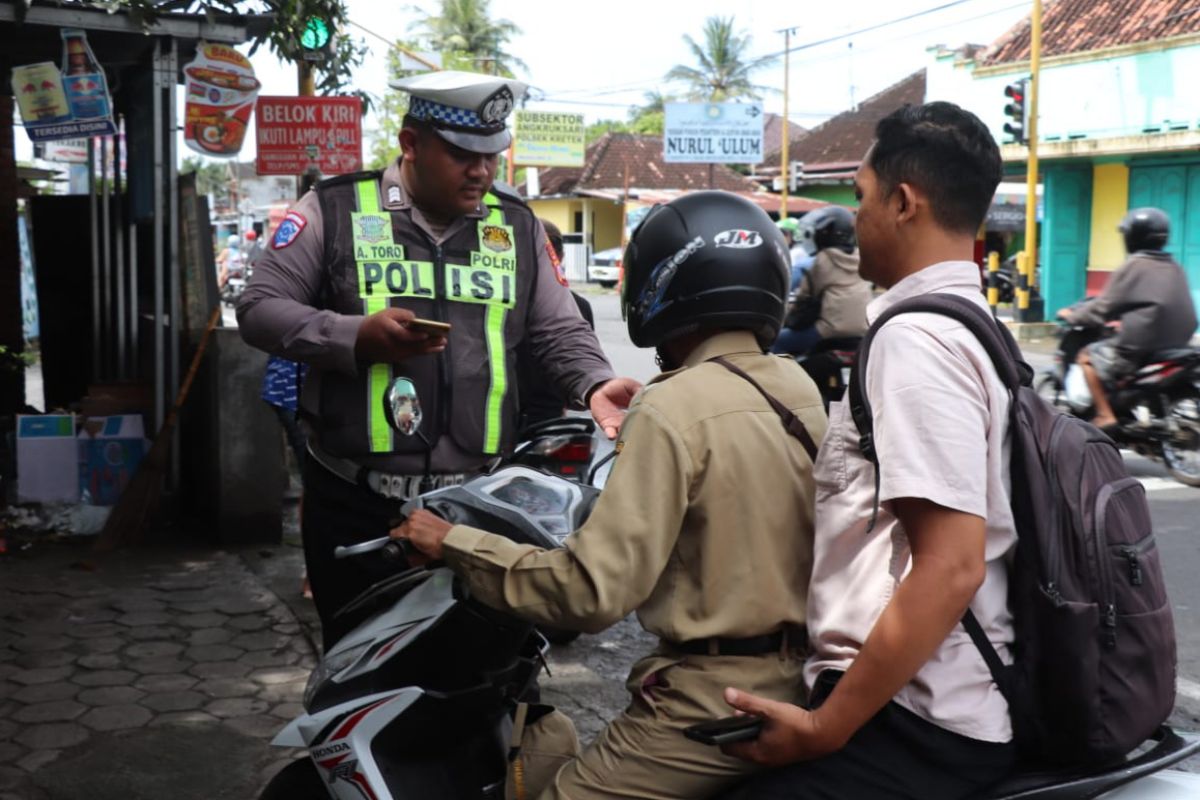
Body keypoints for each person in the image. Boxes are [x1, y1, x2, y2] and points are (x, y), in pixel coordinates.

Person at [395, 191, 827, 799]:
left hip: (711, 701)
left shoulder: (671, 405)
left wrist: (455, 544)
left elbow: (591, 592)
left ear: (660, 287)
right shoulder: (797, 386)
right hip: (804, 678)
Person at [237, 70, 639, 649]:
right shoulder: (334, 209)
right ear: (410, 143)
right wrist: (353, 336)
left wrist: (594, 382)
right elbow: (259, 308)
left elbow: (557, 328)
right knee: (362, 666)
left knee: (486, 671)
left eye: (491, 156)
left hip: (478, 506)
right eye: (461, 155)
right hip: (358, 506)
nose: (481, 171)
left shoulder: (517, 225)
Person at [719, 101, 1018, 800]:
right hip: (932, 698)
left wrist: (825, 729)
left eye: (861, 196)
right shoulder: (977, 325)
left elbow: (951, 566)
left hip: (918, 714)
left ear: (904, 202)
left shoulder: (916, 342)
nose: (856, 218)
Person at [1057, 207, 1197, 431]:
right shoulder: (1174, 266)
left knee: (1086, 357)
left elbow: (1102, 308)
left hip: (1141, 347)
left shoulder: (1133, 266)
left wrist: (1073, 316)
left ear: (1133, 237)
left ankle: (1104, 415)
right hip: (1177, 345)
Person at [514, 218, 597, 431]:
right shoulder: (578, 305)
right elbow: (578, 385)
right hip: (551, 421)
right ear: (560, 257)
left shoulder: (501, 302)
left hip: (506, 420)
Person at [772, 207, 872, 356]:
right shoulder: (860, 257)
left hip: (828, 330)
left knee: (776, 340)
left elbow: (805, 297)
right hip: (862, 331)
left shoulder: (822, 260)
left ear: (825, 234)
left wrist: (788, 312)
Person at [777, 217, 814, 291]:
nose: (779, 236)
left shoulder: (797, 252)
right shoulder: (802, 250)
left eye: (783, 233)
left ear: (795, 235)